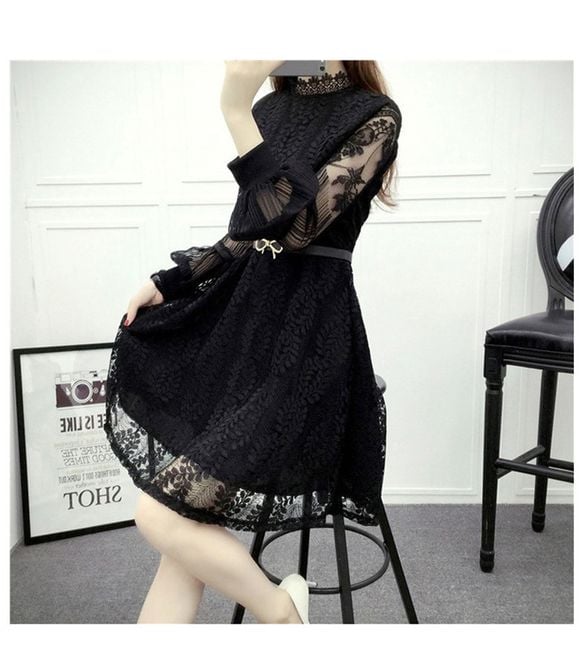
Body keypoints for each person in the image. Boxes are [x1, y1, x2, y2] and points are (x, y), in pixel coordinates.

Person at [103, 60, 402, 624]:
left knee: (159, 515)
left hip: (308, 335)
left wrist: (235, 110)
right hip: (242, 322)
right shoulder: (269, 109)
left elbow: (298, 228)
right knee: (182, 520)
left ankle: (281, 615)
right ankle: (284, 613)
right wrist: (171, 281)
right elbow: (248, 232)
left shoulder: (375, 117)